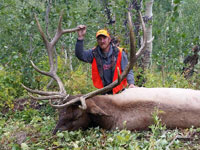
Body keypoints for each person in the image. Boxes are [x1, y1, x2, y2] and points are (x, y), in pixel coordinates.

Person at [75, 25, 136, 94]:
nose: (102, 41)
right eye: (99, 39)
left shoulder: (120, 52)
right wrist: (80, 37)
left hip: (119, 91)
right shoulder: (94, 53)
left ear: (109, 39)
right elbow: (80, 55)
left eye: (104, 38)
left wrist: (131, 83)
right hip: (104, 92)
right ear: (97, 41)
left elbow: (127, 70)